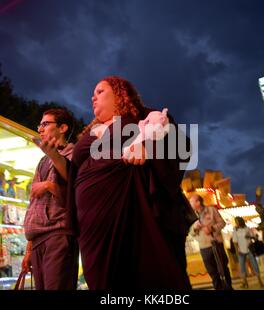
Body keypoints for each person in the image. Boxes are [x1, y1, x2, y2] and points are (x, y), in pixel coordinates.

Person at [67, 76, 196, 290]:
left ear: (119, 94)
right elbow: (73, 170)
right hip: (92, 227)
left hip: (134, 213)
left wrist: (147, 148)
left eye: (100, 91)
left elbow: (181, 146)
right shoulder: (91, 131)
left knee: (145, 275)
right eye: (93, 93)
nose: (93, 97)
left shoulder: (144, 118)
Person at [22, 108, 79, 290]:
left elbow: (74, 197)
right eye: (40, 124)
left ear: (62, 128)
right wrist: (29, 249)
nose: (40, 129)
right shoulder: (42, 161)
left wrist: (49, 185)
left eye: (45, 124)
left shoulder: (75, 154)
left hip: (59, 236)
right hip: (38, 239)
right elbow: (34, 205)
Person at [189, 194, 233, 290]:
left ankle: (228, 288)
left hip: (215, 244)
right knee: (212, 272)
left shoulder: (211, 210)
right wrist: (194, 228)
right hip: (204, 248)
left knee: (223, 269)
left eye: (191, 201)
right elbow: (191, 233)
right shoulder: (192, 215)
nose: (190, 203)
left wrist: (212, 228)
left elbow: (222, 223)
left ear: (198, 202)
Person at [232, 217, 264, 289]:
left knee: (254, 264)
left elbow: (254, 237)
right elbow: (235, 242)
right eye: (236, 222)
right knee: (242, 267)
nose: (236, 223)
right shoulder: (235, 230)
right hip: (241, 250)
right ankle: (245, 282)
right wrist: (237, 251)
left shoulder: (247, 228)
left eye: (237, 221)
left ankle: (260, 281)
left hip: (249, 249)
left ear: (241, 221)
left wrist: (249, 236)